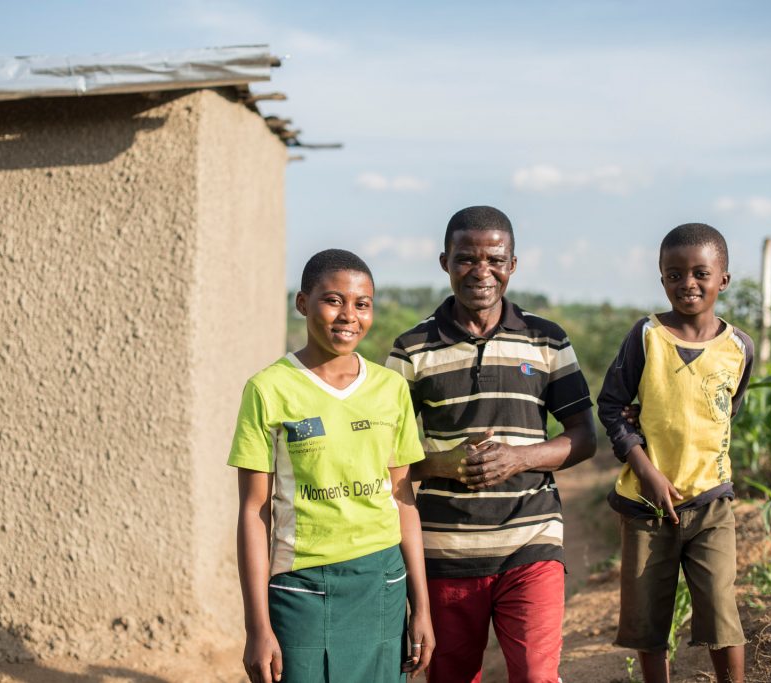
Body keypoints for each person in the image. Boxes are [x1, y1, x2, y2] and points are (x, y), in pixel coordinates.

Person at [386, 206, 597, 683]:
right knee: (452, 676)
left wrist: (519, 458)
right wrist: (443, 463)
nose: (482, 272)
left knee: (537, 677)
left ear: (513, 265)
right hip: (444, 550)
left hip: (531, 541)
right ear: (445, 262)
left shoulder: (548, 340)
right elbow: (386, 458)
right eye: (466, 259)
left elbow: (584, 438)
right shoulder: (411, 349)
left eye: (495, 260)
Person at [229, 249, 434, 683]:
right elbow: (253, 511)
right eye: (333, 300)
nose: (348, 316)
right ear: (303, 303)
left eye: (362, 304)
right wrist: (257, 627)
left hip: (382, 583)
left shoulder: (390, 388)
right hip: (301, 588)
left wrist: (422, 608)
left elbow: (404, 501)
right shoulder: (268, 390)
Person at [597, 223, 753, 683]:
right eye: (675, 274)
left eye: (701, 273)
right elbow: (610, 405)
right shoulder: (647, 337)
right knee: (647, 621)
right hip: (647, 505)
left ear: (723, 279)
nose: (688, 283)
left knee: (722, 613)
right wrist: (645, 469)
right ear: (661, 278)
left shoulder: (738, 348)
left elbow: (724, 413)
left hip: (710, 502)